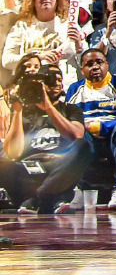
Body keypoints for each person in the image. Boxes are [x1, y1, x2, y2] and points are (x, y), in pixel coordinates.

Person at [0, 63, 89, 213]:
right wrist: (17, 111)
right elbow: (13, 152)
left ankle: (37, 198)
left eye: (59, 79)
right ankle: (51, 199)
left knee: (84, 146)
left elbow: (75, 136)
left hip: (59, 166)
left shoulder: (70, 110)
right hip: (29, 168)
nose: (56, 83)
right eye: (50, 80)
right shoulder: (25, 112)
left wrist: (48, 107)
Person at [66, 47, 116, 211]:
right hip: (90, 141)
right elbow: (70, 120)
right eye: (89, 64)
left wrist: (99, 127)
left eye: (99, 62)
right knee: (76, 133)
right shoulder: (74, 90)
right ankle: (78, 190)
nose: (95, 67)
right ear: (82, 69)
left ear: (107, 65)